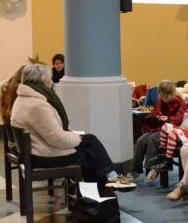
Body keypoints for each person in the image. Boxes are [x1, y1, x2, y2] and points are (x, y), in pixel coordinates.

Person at [9, 63, 132, 192]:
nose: (52, 82)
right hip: (42, 156)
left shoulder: (23, 99)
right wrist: (76, 138)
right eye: (50, 79)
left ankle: (100, 189)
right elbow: (56, 138)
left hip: (34, 152)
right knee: (89, 149)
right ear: (43, 81)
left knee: (89, 146)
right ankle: (104, 189)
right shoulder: (37, 105)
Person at [150, 82, 188, 182]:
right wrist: (179, 128)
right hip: (186, 131)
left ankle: (168, 160)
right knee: (166, 126)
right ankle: (164, 153)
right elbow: (184, 121)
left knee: (173, 133)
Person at [127, 80, 187, 180]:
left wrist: (167, 118)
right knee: (140, 141)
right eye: (162, 97)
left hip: (172, 130)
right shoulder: (161, 100)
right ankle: (135, 171)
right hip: (159, 128)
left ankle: (153, 169)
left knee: (153, 139)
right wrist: (158, 117)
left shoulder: (181, 102)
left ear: (172, 93)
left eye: (166, 97)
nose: (163, 99)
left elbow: (180, 119)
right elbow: (155, 112)